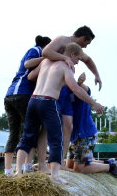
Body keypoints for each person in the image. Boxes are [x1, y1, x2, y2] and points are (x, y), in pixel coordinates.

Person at [15, 43, 104, 182]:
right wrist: (94, 103)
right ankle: (55, 176)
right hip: (48, 101)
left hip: (33, 100)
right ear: (72, 55)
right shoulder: (65, 66)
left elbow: (30, 75)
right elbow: (75, 89)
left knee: (26, 138)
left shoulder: (45, 61)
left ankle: (17, 172)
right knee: (56, 139)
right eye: (78, 59)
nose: (77, 62)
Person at [4, 35, 51, 175]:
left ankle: (7, 171)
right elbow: (27, 64)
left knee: (14, 133)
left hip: (10, 95)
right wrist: (47, 58)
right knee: (31, 129)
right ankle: (27, 166)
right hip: (22, 94)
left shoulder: (37, 52)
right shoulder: (36, 50)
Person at [65, 73, 117, 178]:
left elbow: (85, 90)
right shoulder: (63, 92)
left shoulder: (78, 89)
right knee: (70, 166)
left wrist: (80, 83)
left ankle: (112, 167)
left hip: (85, 133)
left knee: (79, 169)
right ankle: (106, 163)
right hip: (74, 136)